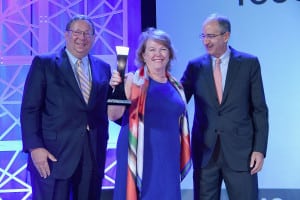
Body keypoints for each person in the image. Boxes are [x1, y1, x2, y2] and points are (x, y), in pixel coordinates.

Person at [20, 15, 112, 200]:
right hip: (53, 154)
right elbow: (30, 109)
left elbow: (108, 110)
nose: (82, 37)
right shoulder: (44, 63)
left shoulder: (103, 68)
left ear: (94, 38)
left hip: (92, 153)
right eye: (77, 32)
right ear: (66, 35)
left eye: (87, 33)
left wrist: (123, 91)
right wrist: (34, 147)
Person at [180, 13, 269, 200]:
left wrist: (259, 149)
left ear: (226, 36)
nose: (205, 41)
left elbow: (259, 109)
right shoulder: (194, 67)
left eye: (211, 36)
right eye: (203, 36)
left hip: (241, 153)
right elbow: (177, 100)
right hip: (205, 153)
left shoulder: (248, 64)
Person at [108, 27, 192, 200]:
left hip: (168, 158)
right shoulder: (132, 80)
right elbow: (113, 115)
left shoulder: (177, 86)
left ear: (169, 54)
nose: (158, 54)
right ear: (143, 55)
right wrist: (115, 90)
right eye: (152, 49)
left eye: (163, 49)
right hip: (139, 155)